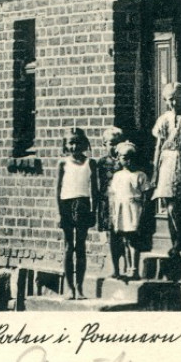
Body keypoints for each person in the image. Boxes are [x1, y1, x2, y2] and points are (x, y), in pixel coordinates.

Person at [56, 127, 98, 300]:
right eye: (71, 143)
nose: (75, 146)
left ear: (84, 143)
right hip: (66, 204)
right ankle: (69, 288)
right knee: (68, 247)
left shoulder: (90, 163)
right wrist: (59, 213)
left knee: (80, 247)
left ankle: (80, 288)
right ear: (66, 145)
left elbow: (94, 189)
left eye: (78, 142)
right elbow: (57, 189)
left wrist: (93, 210)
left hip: (83, 205)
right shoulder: (62, 163)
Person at [152, 82, 181, 258]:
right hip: (166, 161)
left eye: (176, 99)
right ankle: (174, 239)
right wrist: (155, 171)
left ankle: (180, 240)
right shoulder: (164, 119)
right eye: (169, 100)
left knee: (179, 203)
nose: (173, 103)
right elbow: (158, 146)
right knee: (169, 203)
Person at [108, 141, 151, 280]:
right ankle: (128, 267)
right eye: (125, 157)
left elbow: (146, 195)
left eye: (131, 157)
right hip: (121, 209)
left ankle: (134, 269)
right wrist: (114, 213)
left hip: (133, 209)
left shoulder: (140, 175)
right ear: (119, 158)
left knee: (133, 239)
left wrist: (143, 211)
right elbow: (113, 195)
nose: (128, 161)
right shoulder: (118, 175)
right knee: (125, 240)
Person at [96, 126, 124, 278]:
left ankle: (127, 266)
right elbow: (98, 186)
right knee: (112, 235)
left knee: (125, 233)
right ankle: (116, 268)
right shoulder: (101, 163)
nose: (114, 147)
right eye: (111, 143)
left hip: (123, 202)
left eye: (117, 143)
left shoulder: (125, 161)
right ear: (104, 144)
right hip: (108, 203)